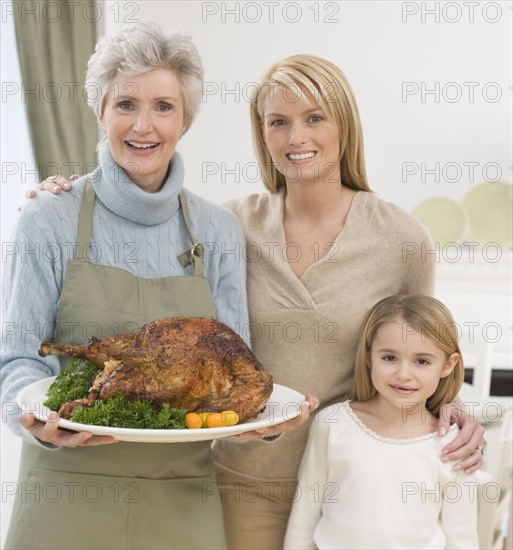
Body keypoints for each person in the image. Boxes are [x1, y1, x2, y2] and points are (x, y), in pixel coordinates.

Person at [27, 53, 486, 549]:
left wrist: (457, 413)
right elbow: (142, 233)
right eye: (278, 122)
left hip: (357, 491)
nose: (296, 138)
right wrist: (72, 195)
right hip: (240, 482)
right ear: (262, 134)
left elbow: (424, 353)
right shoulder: (228, 227)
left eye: (315, 118)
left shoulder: (402, 239)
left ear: (345, 126)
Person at [1, 21, 253, 550]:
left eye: (163, 106)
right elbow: (17, 358)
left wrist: (265, 420)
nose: (144, 125)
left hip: (181, 497)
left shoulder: (218, 231)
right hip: (65, 489)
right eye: (125, 104)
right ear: (100, 111)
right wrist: (31, 418)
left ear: (185, 119)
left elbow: (236, 368)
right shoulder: (48, 217)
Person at [284, 294, 480, 549]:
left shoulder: (455, 446)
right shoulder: (332, 423)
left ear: (447, 365)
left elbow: (462, 538)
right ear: (368, 356)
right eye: (389, 358)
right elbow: (304, 518)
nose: (403, 374)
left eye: (422, 361)